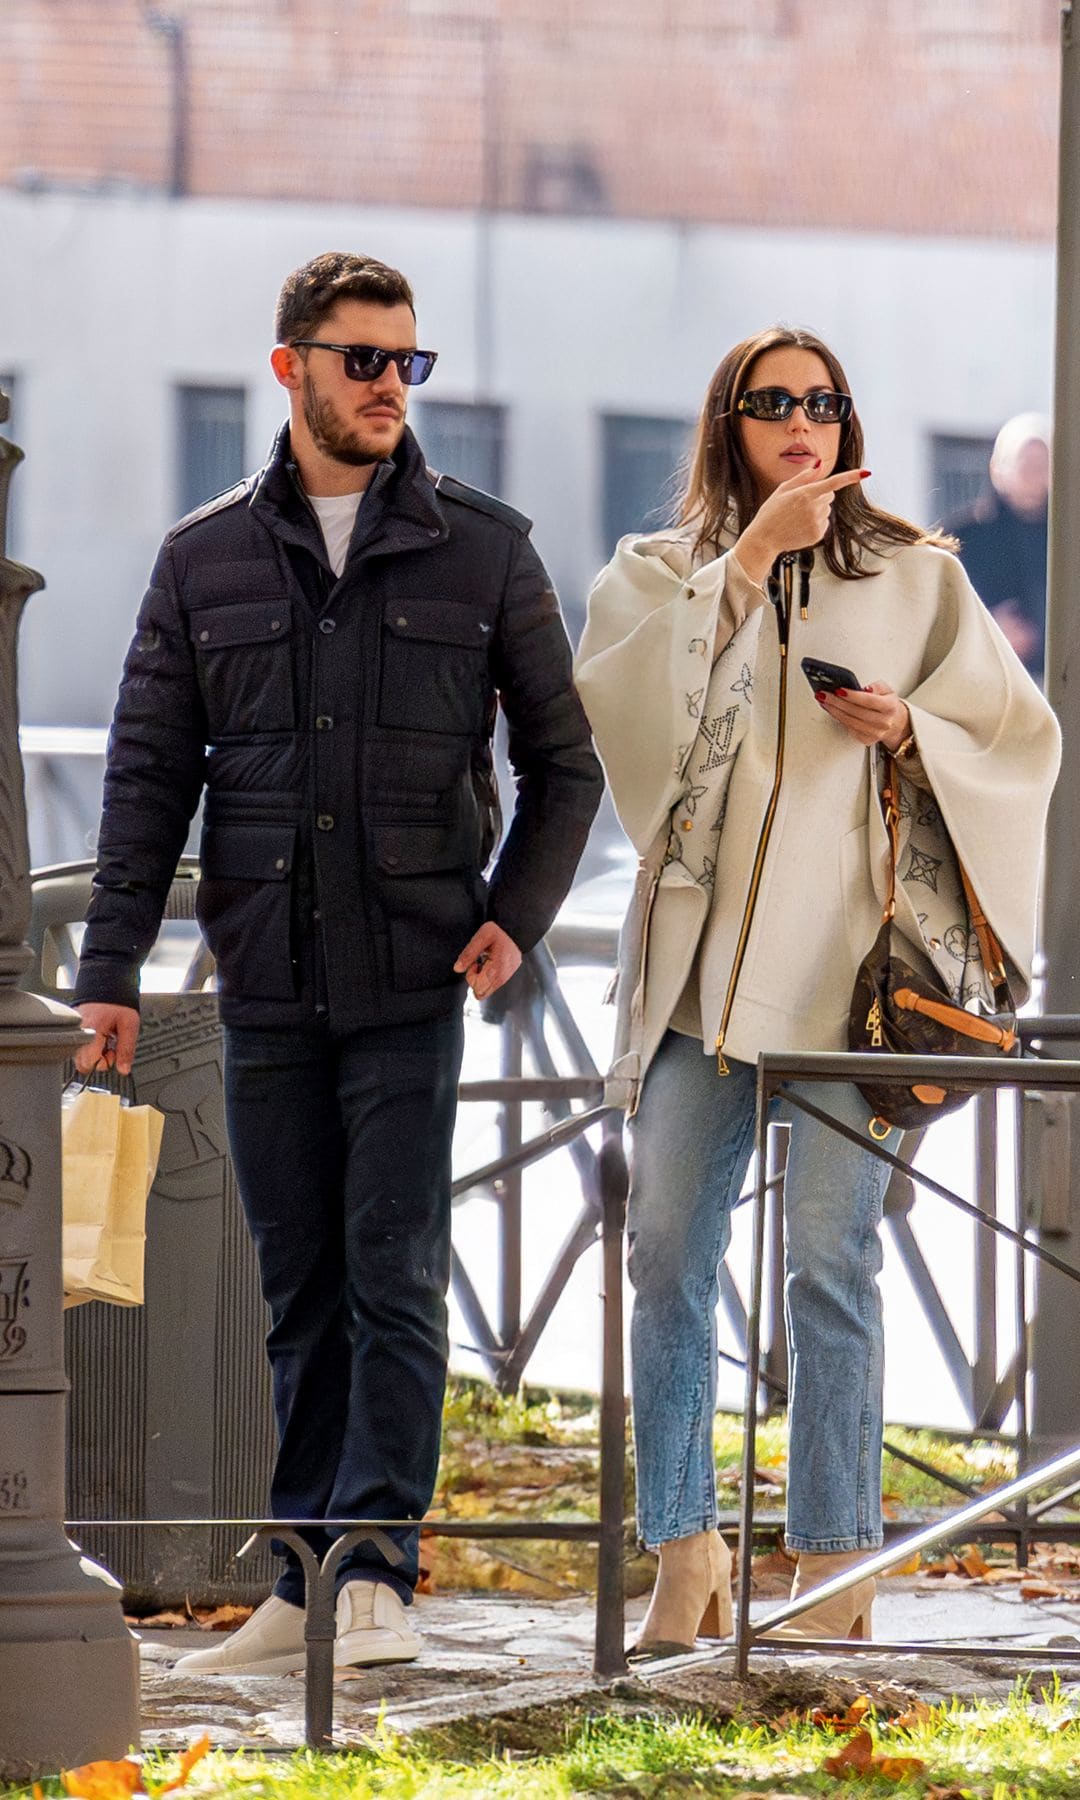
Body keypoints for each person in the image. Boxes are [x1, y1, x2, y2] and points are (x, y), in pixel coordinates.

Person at [73, 251, 602, 1674]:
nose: (388, 387)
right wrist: (110, 971)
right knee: (295, 1283)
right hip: (262, 978)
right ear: (290, 368)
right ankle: (302, 1577)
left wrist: (518, 913)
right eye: (362, 360)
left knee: (394, 1272)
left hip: (414, 978)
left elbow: (565, 766)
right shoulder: (204, 560)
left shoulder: (484, 549)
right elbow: (145, 779)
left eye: (406, 364)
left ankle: (378, 1572)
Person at [576, 325, 1059, 1655]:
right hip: (696, 992)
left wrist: (917, 729)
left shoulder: (916, 577)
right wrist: (742, 573)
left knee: (833, 1267)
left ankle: (837, 1561)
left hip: (852, 994)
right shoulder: (656, 575)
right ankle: (685, 1547)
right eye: (772, 402)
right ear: (727, 424)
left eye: (825, 401)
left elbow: (1024, 739)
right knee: (667, 1256)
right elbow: (629, 735)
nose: (804, 422)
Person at [946, 412, 1051, 682]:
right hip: (985, 679)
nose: (1033, 476)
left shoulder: (1067, 540)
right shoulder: (961, 537)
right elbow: (942, 612)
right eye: (1025, 465)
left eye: (1042, 466)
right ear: (998, 467)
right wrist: (992, 628)